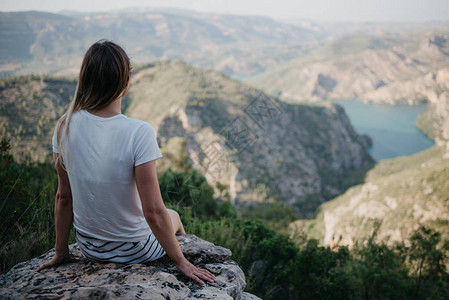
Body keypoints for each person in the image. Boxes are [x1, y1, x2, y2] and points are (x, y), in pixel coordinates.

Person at [36, 39, 216, 286]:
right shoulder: (138, 132)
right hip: (135, 251)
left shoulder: (63, 126)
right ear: (125, 82)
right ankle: (182, 253)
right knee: (172, 214)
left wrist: (60, 252)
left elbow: (63, 198)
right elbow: (153, 212)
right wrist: (181, 263)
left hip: (89, 247)